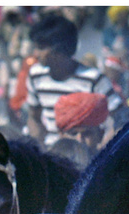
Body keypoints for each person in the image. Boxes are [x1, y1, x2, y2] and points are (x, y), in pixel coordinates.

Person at [24, 14, 119, 147]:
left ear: (58, 48)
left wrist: (103, 148)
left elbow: (120, 118)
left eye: (40, 48)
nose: (35, 54)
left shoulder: (94, 79)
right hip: (52, 154)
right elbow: (34, 118)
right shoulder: (36, 75)